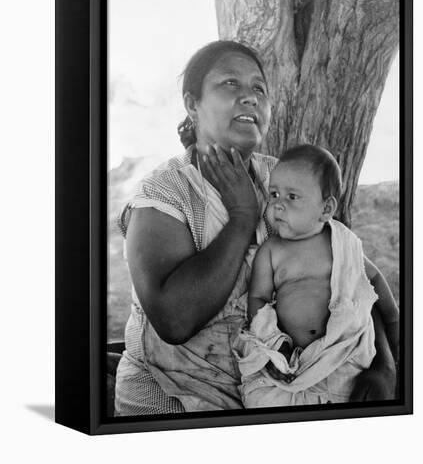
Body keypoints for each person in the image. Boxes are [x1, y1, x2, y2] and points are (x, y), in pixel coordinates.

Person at [114, 41, 396, 416]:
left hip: (284, 389)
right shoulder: (163, 194)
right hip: (175, 397)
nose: (249, 97)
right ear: (192, 104)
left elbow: (348, 273)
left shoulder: (283, 180)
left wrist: (383, 365)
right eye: (230, 84)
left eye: (259, 88)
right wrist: (243, 215)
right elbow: (174, 320)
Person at [233, 144, 399, 407]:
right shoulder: (272, 250)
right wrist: (274, 344)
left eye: (292, 197)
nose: (277, 205)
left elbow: (374, 281)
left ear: (325, 209)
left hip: (343, 354)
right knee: (266, 400)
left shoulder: (342, 242)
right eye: (274, 194)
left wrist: (393, 324)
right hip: (290, 360)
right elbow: (258, 298)